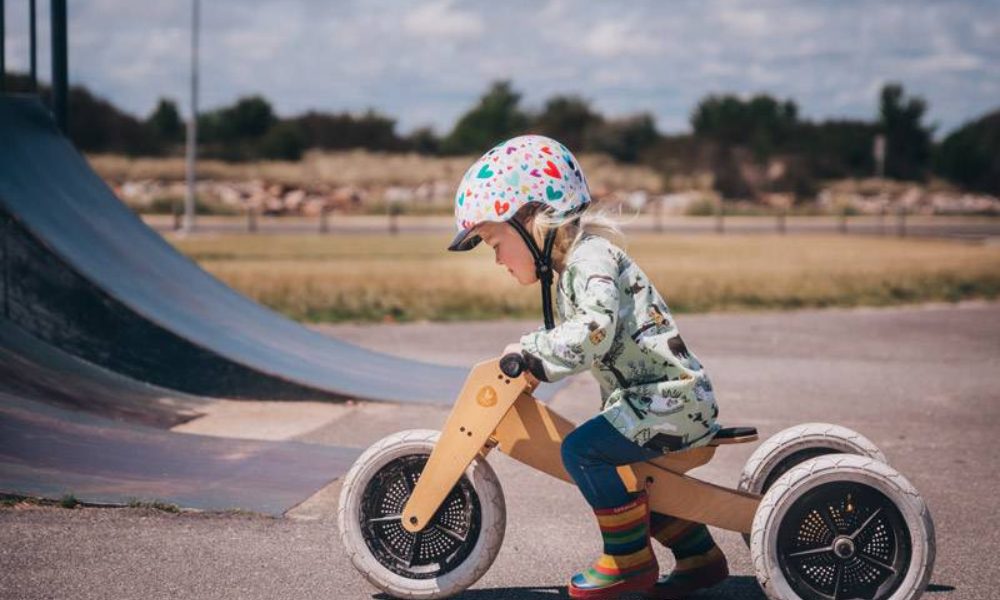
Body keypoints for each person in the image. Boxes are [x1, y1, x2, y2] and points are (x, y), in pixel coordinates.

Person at [448, 134, 728, 600]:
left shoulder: (590, 258)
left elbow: (594, 329)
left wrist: (533, 351)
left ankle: (627, 561)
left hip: (670, 401)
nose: (496, 258)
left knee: (582, 451)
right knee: (632, 477)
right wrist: (536, 360)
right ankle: (699, 555)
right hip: (658, 402)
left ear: (531, 219)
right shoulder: (570, 271)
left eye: (493, 241)